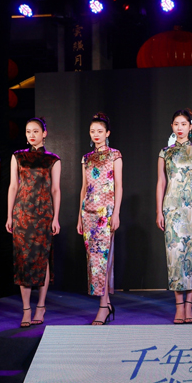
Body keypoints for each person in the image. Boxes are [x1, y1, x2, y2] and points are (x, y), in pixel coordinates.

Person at [6, 117, 61, 328]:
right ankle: (26, 309)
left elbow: (55, 190)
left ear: (44, 133)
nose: (31, 135)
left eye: (36, 131)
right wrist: (9, 215)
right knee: (23, 260)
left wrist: (56, 217)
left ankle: (41, 306)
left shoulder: (52, 159)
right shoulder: (18, 157)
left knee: (42, 259)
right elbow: (13, 186)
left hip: (43, 214)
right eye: (28, 131)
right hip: (22, 213)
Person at [156, 108, 192, 324]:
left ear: (190, 127)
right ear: (172, 126)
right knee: (175, 256)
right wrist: (159, 210)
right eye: (176, 124)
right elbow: (161, 182)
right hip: (172, 208)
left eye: (183, 124)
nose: (180, 128)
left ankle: (189, 306)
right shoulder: (165, 153)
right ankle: (179, 306)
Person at [77, 112, 123, 325]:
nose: (96, 134)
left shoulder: (115, 155)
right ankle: (106, 305)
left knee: (103, 259)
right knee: (93, 260)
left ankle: (103, 307)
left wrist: (116, 213)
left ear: (107, 133)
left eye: (100, 131)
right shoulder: (86, 158)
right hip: (88, 212)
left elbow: (119, 186)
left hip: (106, 213)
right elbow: (84, 187)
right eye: (92, 131)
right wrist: (79, 216)